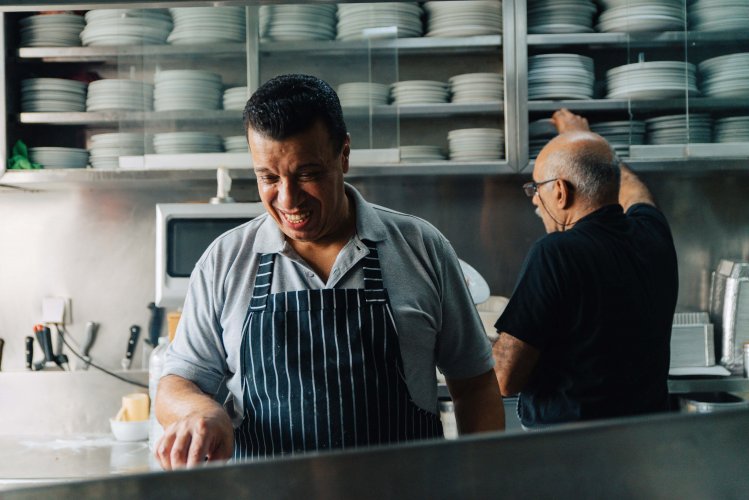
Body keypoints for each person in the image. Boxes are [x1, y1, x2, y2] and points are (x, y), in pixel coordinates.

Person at [155, 74, 504, 469]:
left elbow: (474, 385)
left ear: (344, 154)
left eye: (307, 174)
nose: (287, 199)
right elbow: (175, 384)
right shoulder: (225, 261)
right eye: (268, 177)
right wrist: (201, 411)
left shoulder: (422, 247)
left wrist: (481, 481)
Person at [492, 108, 678, 429]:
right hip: (647, 440)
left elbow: (505, 378)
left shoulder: (554, 253)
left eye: (536, 188)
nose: (535, 200)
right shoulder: (654, 235)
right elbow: (637, 194)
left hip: (573, 450)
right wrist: (593, 149)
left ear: (561, 192)